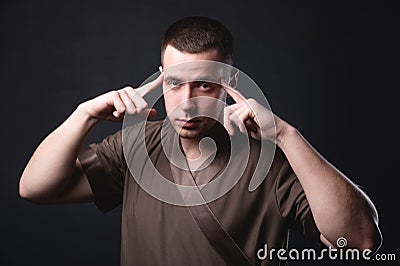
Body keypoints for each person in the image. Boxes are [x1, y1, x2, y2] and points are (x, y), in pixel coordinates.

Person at [19, 16, 382, 265]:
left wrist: (286, 135)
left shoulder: (271, 160)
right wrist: (85, 115)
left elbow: (361, 242)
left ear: (230, 85)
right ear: (161, 80)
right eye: (176, 84)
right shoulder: (136, 147)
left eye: (204, 84)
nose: (188, 101)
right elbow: (35, 188)